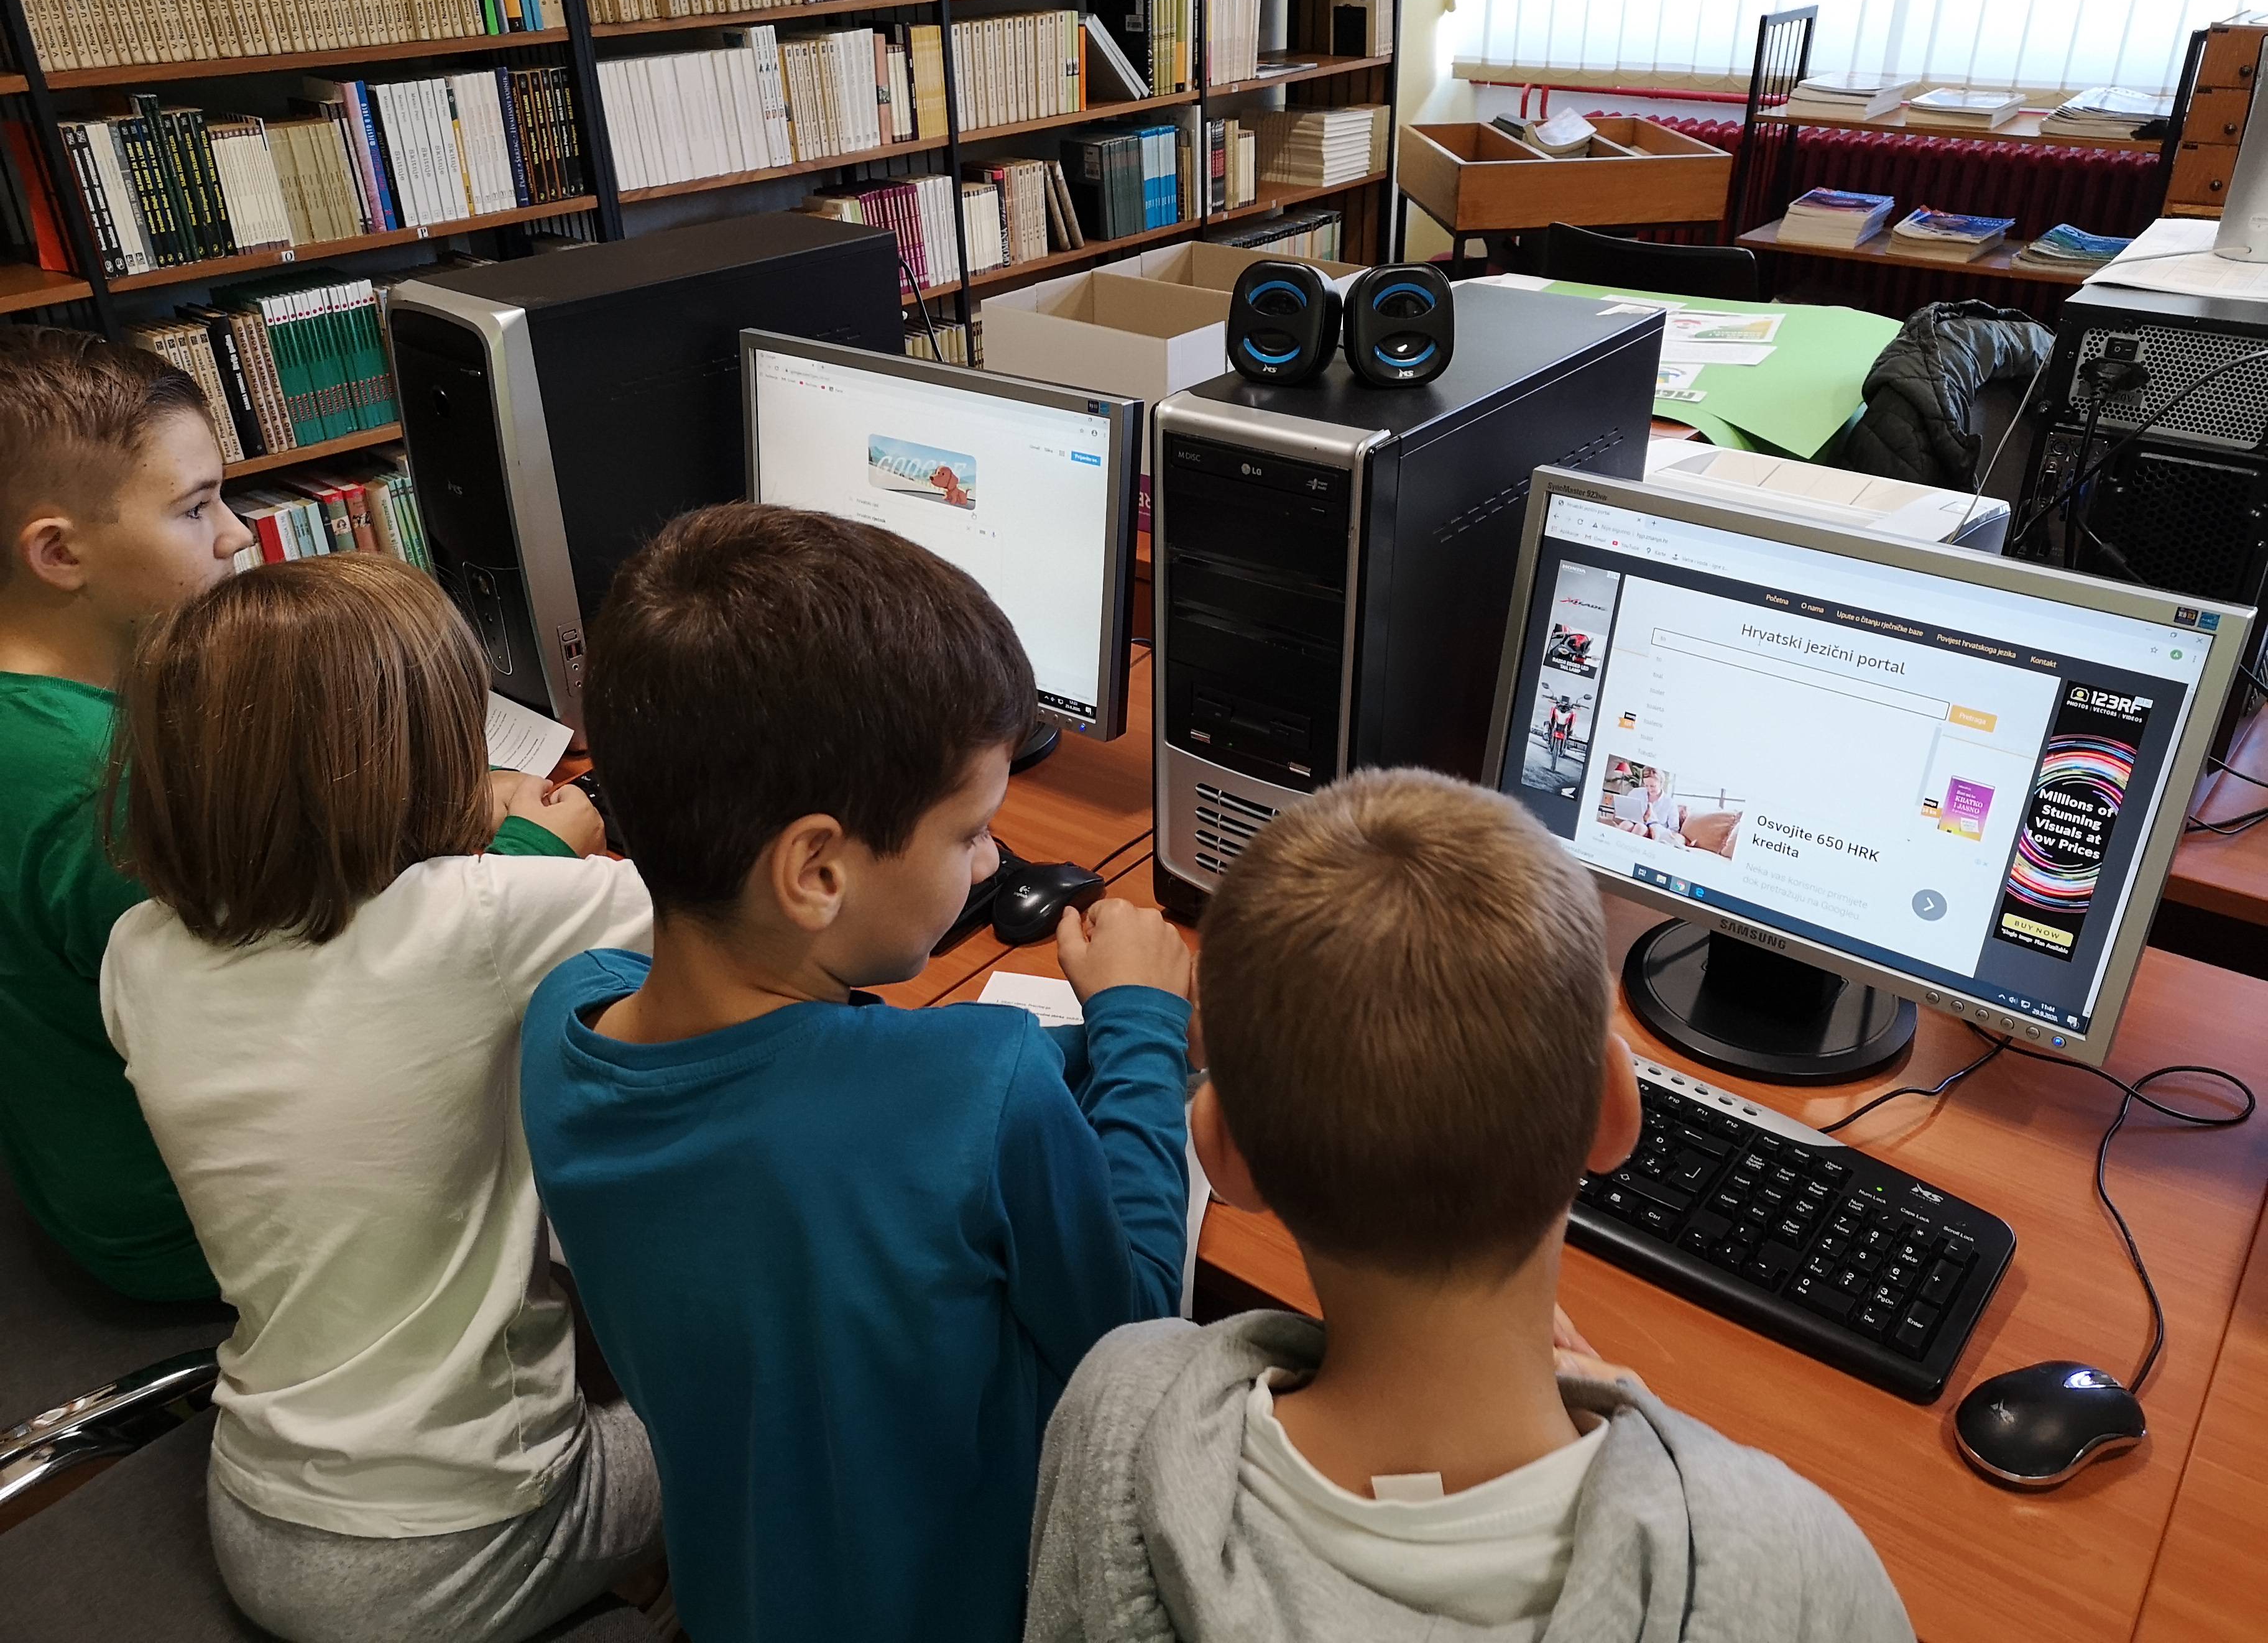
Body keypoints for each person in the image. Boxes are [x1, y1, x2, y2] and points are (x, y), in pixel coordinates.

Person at [1025, 769, 1915, 1643]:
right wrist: (1664, 1445)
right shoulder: (1791, 1567)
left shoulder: (1119, 1416)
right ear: (1615, 1108)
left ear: (1222, 1150)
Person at [519, 504, 1194, 1642]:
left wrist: (1063, 1053)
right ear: (816, 872)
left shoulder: (566, 1017)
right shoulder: (976, 1089)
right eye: (970, 832)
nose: (991, 858)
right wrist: (1139, 1026)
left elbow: (832, 1097)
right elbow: (1130, 1343)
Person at [99, 555, 659, 1643]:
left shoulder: (137, 952)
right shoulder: (481, 919)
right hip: (468, 1548)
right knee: (785, 1392)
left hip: (255, 1509)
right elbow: (752, 904)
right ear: (430, 756)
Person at [0, 326, 574, 1301]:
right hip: (209, 1227)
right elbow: (352, 1010)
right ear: (60, 553)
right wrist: (528, 848)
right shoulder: (108, 794)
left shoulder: (55, 722)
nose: (235, 536)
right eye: (195, 509)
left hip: (90, 1173)